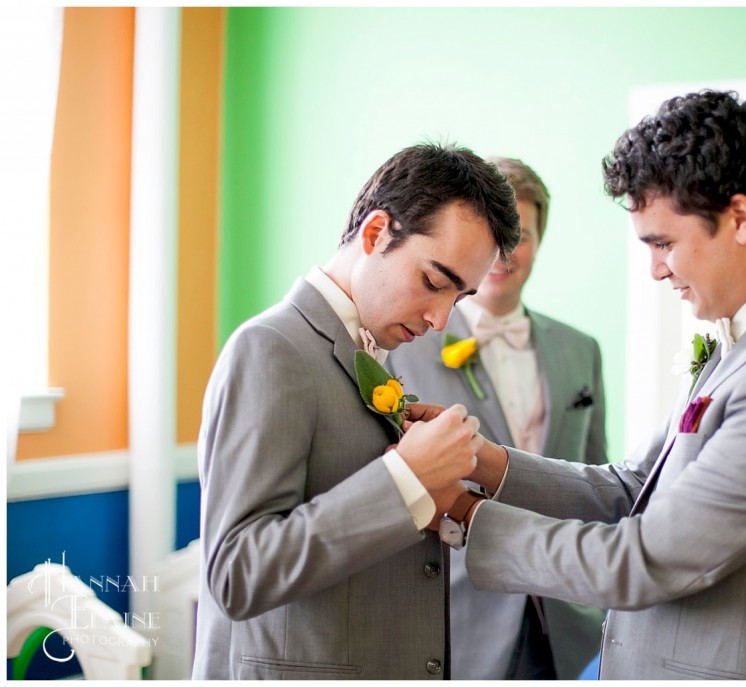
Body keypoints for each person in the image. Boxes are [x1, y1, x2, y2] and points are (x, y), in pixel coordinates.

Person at [431, 90, 746, 679]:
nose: (656, 269)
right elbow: (632, 490)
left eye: (664, 244)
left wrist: (467, 515)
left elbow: (646, 559)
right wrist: (486, 462)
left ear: (739, 219)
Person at [191, 142, 521, 679]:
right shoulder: (271, 348)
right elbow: (236, 574)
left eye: (458, 298)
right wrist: (405, 479)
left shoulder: (376, 351)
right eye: (434, 282)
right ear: (375, 234)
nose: (440, 320)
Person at [388, 157, 607, 680]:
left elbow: (597, 479)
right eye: (497, 238)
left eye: (523, 235)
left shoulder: (583, 350)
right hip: (455, 611)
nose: (507, 254)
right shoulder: (408, 343)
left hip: (562, 616)